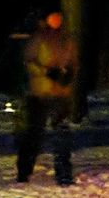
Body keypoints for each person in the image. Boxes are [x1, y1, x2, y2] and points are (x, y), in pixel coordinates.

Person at [15, 11, 78, 186]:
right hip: (40, 94)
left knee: (62, 134)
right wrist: (46, 72)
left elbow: (73, 61)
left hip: (60, 94)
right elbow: (29, 61)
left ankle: (64, 173)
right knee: (34, 133)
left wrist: (69, 75)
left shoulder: (67, 39)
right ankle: (24, 171)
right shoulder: (39, 38)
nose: (56, 20)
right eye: (53, 17)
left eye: (59, 17)